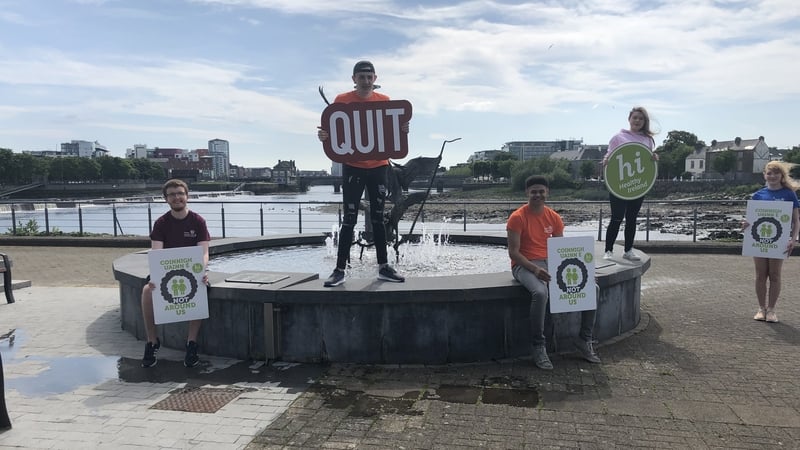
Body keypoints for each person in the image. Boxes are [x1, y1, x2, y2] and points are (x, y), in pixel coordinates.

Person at [317, 60, 407, 287]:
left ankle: (383, 266)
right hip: (352, 167)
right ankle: (339, 269)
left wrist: (402, 129)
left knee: (378, 219)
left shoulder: (385, 102)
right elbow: (334, 132)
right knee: (349, 219)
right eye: (361, 77)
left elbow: (392, 130)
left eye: (369, 77)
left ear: (375, 79)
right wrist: (325, 137)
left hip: (378, 167)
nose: (366, 81)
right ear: (354, 79)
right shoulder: (341, 101)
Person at [507, 175, 600, 370]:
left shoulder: (554, 217)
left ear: (547, 192)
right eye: (534, 192)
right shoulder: (517, 218)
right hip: (524, 265)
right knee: (540, 293)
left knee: (593, 288)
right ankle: (538, 345)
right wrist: (535, 269)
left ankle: (585, 339)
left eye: (541, 191)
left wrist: (583, 272)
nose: (538, 195)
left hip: (551, 263)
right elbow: (514, 252)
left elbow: (562, 250)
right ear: (527, 193)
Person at [141, 179, 211, 368]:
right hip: (166, 272)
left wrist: (201, 271)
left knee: (200, 289)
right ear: (166, 199)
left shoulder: (198, 221)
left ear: (187, 196)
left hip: (193, 270)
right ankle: (152, 341)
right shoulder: (161, 223)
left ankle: (191, 343)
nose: (177, 197)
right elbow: (157, 253)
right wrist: (156, 276)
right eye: (172, 194)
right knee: (147, 292)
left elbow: (204, 252)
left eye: (180, 193)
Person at [602, 106, 659, 261]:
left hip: (638, 185)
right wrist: (606, 160)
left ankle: (628, 250)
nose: (637, 121)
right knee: (616, 217)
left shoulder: (647, 139)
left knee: (632, 218)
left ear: (644, 121)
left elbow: (647, 160)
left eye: (641, 118)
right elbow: (610, 154)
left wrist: (653, 158)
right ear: (629, 119)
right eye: (635, 117)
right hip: (619, 184)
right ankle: (608, 250)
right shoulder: (618, 137)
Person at [747, 161, 800, 323]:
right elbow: (751, 219)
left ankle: (771, 310)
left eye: (776, 173)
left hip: (780, 241)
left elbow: (796, 221)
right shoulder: (758, 195)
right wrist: (745, 224)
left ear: (781, 175)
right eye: (769, 173)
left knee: (775, 275)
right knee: (760, 275)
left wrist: (793, 239)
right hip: (759, 240)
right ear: (765, 175)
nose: (772, 176)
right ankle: (761, 308)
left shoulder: (789, 194)